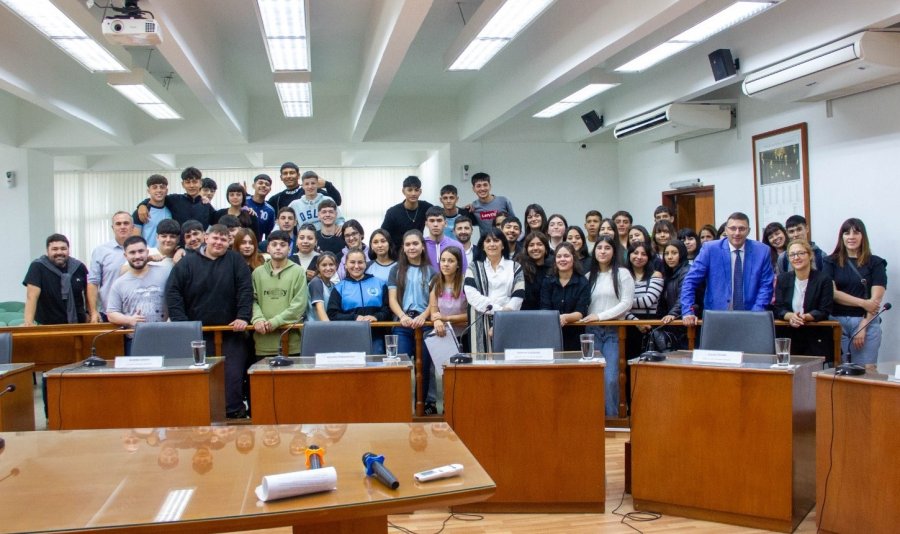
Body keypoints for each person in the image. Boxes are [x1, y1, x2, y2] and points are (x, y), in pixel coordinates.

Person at [166, 224, 253, 419]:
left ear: (229, 242)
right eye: (215, 238)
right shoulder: (187, 263)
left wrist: (243, 317)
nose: (219, 243)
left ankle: (233, 414)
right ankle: (199, 414)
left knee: (233, 377)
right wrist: (183, 324)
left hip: (232, 333)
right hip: (197, 335)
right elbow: (173, 293)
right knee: (199, 378)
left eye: (223, 240)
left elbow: (246, 290)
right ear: (206, 238)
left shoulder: (236, 261)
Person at [681, 212, 775, 325]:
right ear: (726, 229)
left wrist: (755, 314)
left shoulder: (762, 251)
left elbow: (766, 286)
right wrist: (688, 311)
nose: (737, 233)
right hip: (716, 317)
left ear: (748, 231)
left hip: (751, 317)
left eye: (742, 229)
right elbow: (690, 281)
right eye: (733, 228)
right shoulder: (710, 249)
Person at [578, 235, 634, 417]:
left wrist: (599, 316)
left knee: (610, 378)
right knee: (592, 378)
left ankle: (612, 419)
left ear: (614, 251)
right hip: (591, 333)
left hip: (613, 331)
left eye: (607, 248)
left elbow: (626, 303)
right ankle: (595, 419)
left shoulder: (623, 274)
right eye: (599, 248)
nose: (602, 251)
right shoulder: (588, 276)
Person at [822, 218, 887, 368]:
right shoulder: (830, 261)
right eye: (846, 233)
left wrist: (863, 326)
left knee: (867, 370)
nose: (851, 236)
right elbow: (832, 293)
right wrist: (863, 303)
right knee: (839, 370)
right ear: (841, 237)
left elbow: (876, 300)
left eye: (856, 232)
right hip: (837, 321)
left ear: (863, 236)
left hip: (866, 321)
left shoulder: (876, 263)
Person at [388, 230, 438, 414]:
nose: (411, 247)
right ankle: (399, 406)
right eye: (408, 244)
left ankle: (423, 405)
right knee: (399, 365)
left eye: (415, 244)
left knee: (423, 367)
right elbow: (392, 299)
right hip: (403, 324)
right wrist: (402, 316)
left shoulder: (432, 271)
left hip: (425, 323)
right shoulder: (396, 269)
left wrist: (424, 316)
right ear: (403, 247)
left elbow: (434, 301)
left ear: (422, 247)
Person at [106, 236, 171, 354]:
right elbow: (111, 314)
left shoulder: (165, 273)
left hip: (164, 337)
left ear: (147, 252)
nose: (137, 256)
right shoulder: (119, 283)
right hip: (135, 340)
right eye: (132, 252)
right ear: (125, 256)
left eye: (141, 251)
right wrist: (129, 320)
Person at [464, 228, 525, 353]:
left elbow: (518, 294)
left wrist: (503, 316)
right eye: (488, 241)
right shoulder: (473, 267)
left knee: (508, 364)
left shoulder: (515, 267)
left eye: (496, 240)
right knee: (481, 366)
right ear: (483, 246)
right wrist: (499, 311)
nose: (492, 244)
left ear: (503, 245)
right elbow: (471, 295)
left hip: (508, 319)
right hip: (480, 319)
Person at [251, 230, 308, 358]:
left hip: (291, 342)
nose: (278, 247)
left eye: (282, 245)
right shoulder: (257, 273)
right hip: (263, 341)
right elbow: (252, 300)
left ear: (289, 248)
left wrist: (276, 321)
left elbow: (299, 305)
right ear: (268, 248)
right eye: (274, 244)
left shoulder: (298, 272)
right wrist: (258, 319)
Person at [773, 239, 834, 359]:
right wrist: (791, 316)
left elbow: (825, 309)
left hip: (815, 334)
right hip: (788, 334)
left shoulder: (823, 279)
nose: (796, 257)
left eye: (801, 253)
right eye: (792, 254)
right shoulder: (782, 279)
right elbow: (778, 308)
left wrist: (804, 317)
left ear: (810, 255)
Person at [327, 248, 391, 353]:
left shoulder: (380, 283)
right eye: (352, 262)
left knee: (376, 364)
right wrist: (354, 317)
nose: (356, 266)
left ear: (365, 264)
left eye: (360, 262)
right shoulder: (339, 288)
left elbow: (387, 310)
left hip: (376, 335)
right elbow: (332, 314)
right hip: (348, 337)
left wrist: (375, 317)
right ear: (346, 265)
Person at [23, 233, 91, 326]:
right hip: (48, 326)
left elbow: (89, 293)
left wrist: (90, 313)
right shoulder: (38, 267)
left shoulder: (79, 267)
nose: (59, 252)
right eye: (54, 249)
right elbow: (31, 296)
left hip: (79, 325)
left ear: (68, 250)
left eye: (63, 249)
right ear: (47, 251)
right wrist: (28, 322)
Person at [541, 242, 590, 351]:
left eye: (566, 256)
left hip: (575, 336)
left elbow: (580, 312)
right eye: (559, 256)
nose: (562, 259)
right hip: (551, 332)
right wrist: (556, 318)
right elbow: (545, 308)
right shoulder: (548, 281)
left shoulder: (583, 282)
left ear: (574, 258)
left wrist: (564, 317)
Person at [88, 211, 134, 322]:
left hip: (137, 314)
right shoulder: (100, 251)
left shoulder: (143, 249)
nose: (122, 227)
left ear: (132, 227)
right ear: (112, 227)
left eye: (126, 223)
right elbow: (93, 283)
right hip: (109, 313)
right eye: (118, 224)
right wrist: (93, 312)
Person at [136, 167, 216, 228]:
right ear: (183, 184)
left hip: (200, 247)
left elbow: (217, 219)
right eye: (188, 182)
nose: (191, 186)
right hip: (179, 247)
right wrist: (142, 205)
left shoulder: (206, 205)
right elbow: (156, 198)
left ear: (200, 183)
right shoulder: (174, 200)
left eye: (195, 182)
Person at [624, 241, 664, 356]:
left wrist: (623, 304)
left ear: (649, 257)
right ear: (629, 255)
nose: (639, 257)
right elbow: (618, 307)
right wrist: (635, 322)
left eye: (644, 254)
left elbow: (648, 301)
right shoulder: (622, 275)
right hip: (627, 324)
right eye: (635, 253)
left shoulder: (655, 274)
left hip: (649, 324)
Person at [381, 175, 434, 251]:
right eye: (409, 190)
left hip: (417, 251)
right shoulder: (392, 212)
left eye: (416, 190)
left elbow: (440, 216)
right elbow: (384, 235)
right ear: (403, 191)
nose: (413, 193)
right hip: (397, 253)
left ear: (420, 192)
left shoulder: (427, 208)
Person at [429, 246, 469, 343]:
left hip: (464, 335)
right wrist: (437, 321)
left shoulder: (466, 283)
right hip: (443, 334)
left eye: (450, 261)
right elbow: (434, 312)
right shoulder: (435, 281)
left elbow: (471, 315)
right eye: (443, 260)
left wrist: (446, 318)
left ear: (458, 264)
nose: (446, 264)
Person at [267, 164, 344, 213]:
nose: (288, 176)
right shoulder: (276, 199)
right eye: (285, 173)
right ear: (281, 177)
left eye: (292, 173)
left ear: (298, 176)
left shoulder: (310, 190)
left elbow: (337, 202)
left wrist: (327, 185)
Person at [423, 206, 468, 277]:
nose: (435, 224)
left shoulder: (457, 246)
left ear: (445, 223)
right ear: (426, 224)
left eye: (439, 220)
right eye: (432, 221)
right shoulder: (421, 246)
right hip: (426, 287)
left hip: (452, 287)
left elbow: (463, 273)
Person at [132, 174, 172, 248]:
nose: (159, 190)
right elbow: (135, 240)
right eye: (154, 187)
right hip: (148, 256)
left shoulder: (171, 208)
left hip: (168, 256)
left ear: (166, 191)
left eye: (162, 187)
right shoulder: (141, 212)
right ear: (149, 191)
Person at [518, 231, 553, 310]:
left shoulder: (553, 268)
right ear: (526, 249)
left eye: (539, 244)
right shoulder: (519, 268)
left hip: (548, 314)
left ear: (546, 248)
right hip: (524, 314)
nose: (535, 248)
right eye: (531, 245)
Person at [307, 252, 338, 322]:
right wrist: (330, 330)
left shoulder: (333, 285)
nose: (328, 268)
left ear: (336, 266)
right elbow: (319, 308)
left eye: (331, 264)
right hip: (317, 328)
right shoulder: (316, 282)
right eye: (324, 265)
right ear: (318, 267)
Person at [245, 174, 276, 241]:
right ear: (253, 186)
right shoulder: (243, 202)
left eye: (267, 184)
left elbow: (269, 234)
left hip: (256, 245)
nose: (264, 186)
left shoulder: (270, 211)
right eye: (260, 183)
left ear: (270, 189)